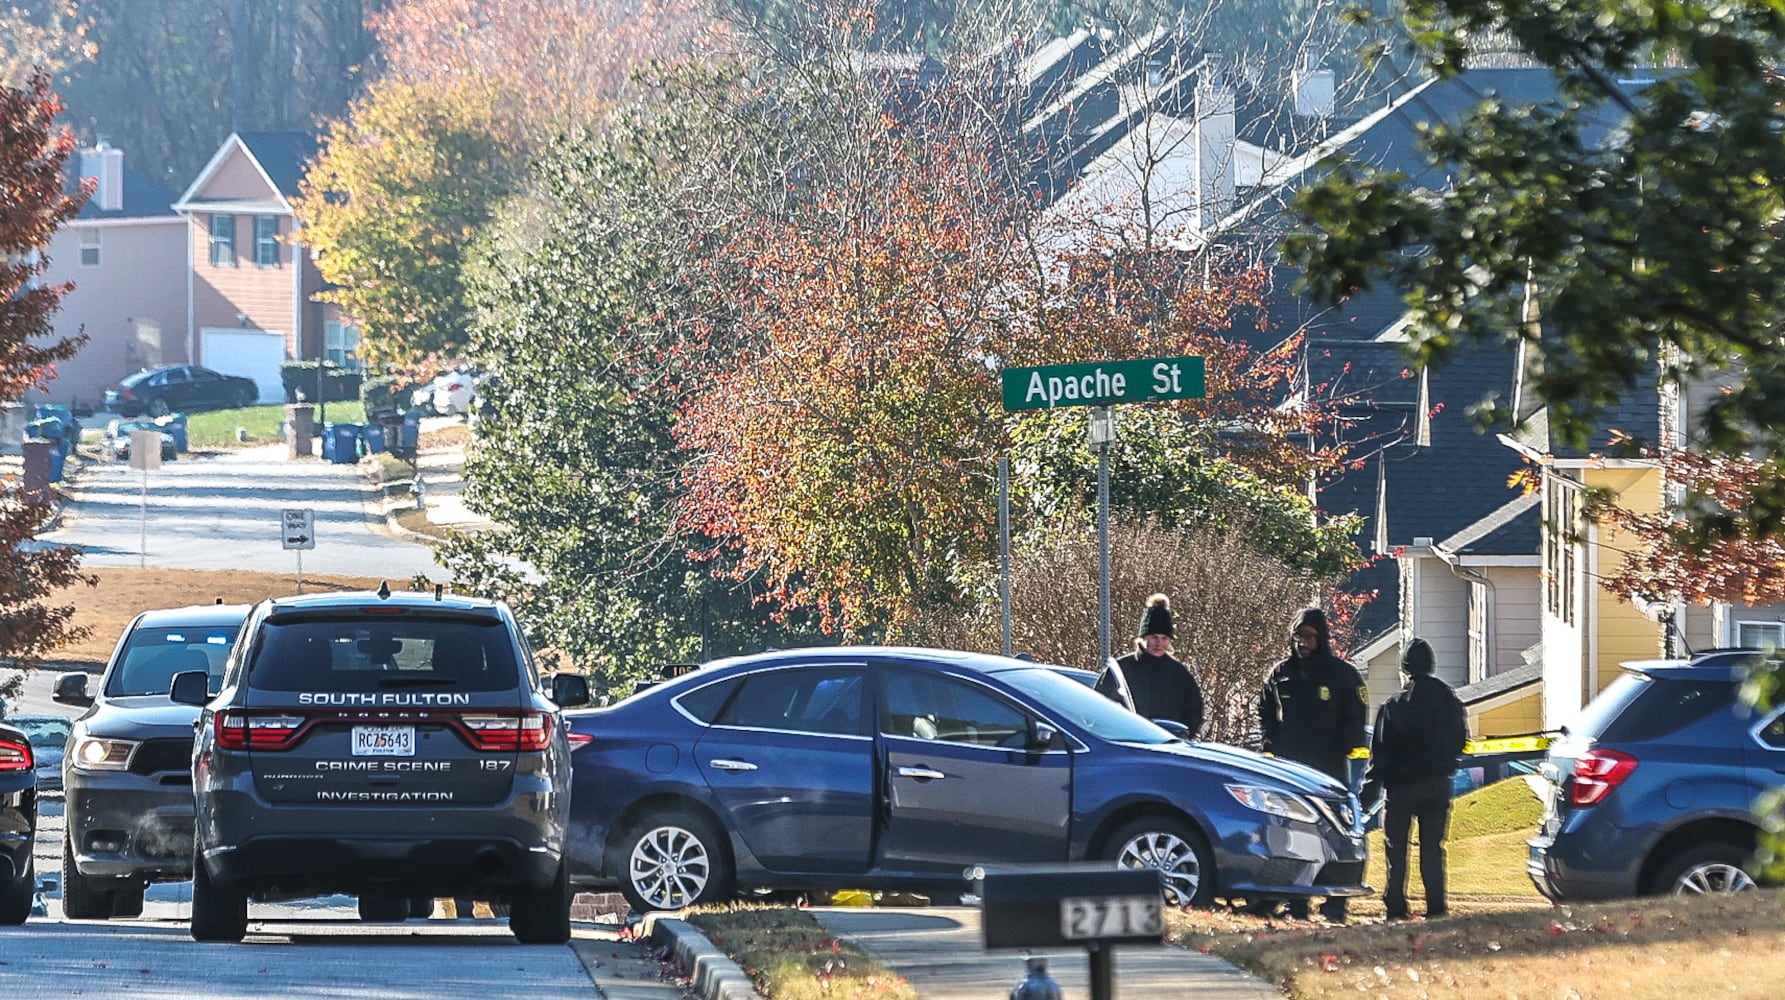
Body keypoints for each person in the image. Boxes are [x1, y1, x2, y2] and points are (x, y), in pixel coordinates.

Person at [1257, 606, 1368, 921]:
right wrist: (1272, 745)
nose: (1302, 643)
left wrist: (1339, 748)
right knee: (1291, 838)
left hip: (1328, 773)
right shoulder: (1281, 674)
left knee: (1333, 837)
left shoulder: (1342, 675)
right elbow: (1264, 710)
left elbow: (1355, 719)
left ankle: (1334, 904)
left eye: (1309, 637)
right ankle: (1297, 901)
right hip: (1290, 771)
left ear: (1322, 638)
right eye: (1298, 637)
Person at [1360, 637, 1469, 920]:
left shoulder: (1394, 706)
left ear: (1404, 669)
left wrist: (1367, 793)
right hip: (1437, 784)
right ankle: (1436, 906)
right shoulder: (1450, 703)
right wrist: (1446, 764)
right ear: (1431, 666)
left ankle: (1396, 906)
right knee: (1433, 848)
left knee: (1396, 849)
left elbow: (1380, 755)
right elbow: (1461, 741)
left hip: (1401, 788)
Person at [1095, 593, 1204, 738]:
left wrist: (1183, 737)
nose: (1159, 643)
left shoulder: (1180, 675)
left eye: (1164, 638)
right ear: (1143, 638)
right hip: (1127, 746)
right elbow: (1098, 709)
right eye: (1154, 637)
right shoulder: (1120, 670)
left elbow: (1194, 713)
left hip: (1169, 747)